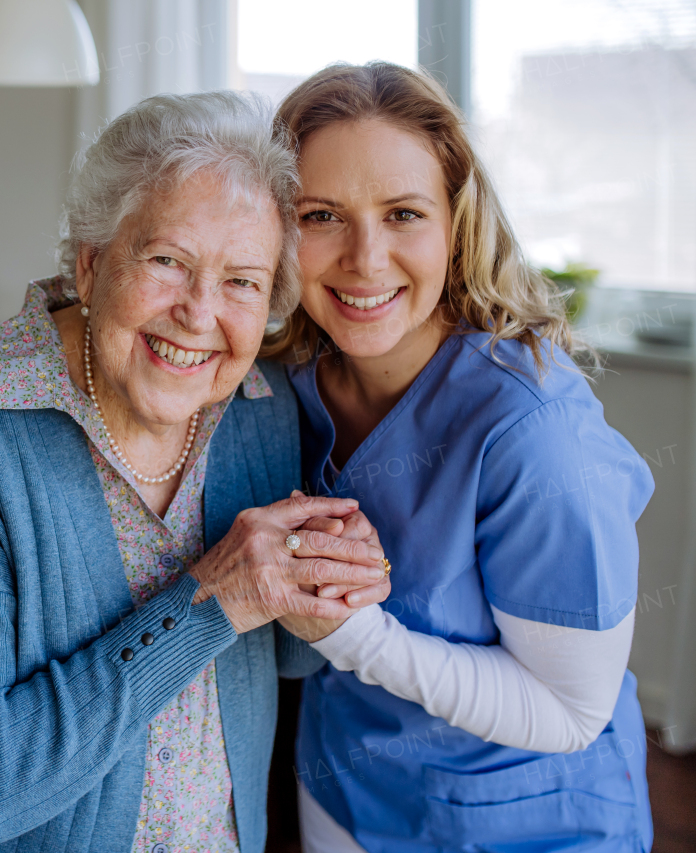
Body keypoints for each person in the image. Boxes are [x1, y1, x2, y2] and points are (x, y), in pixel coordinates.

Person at [0, 90, 392, 853]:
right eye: (169, 261)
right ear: (93, 261)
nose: (200, 313)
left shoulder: (260, 405)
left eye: (242, 281)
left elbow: (288, 657)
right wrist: (211, 600)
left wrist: (321, 571)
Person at [266, 63, 655, 852]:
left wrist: (349, 633)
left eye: (403, 213)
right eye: (321, 215)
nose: (365, 259)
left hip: (525, 818)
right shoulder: (285, 384)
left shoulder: (535, 433)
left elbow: (572, 711)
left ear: (456, 222)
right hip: (345, 787)